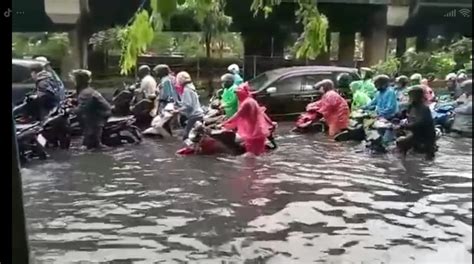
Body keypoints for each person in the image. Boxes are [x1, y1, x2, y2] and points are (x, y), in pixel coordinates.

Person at [220, 85, 275, 156]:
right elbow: (261, 113)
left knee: (251, 154)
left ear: (242, 94)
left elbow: (237, 115)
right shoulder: (251, 101)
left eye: (238, 94)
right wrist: (270, 123)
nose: (237, 96)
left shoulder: (246, 103)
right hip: (259, 130)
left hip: (252, 132)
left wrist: (224, 123)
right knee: (259, 153)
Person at [71, 69, 112, 150]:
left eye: (74, 79)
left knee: (92, 143)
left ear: (79, 80)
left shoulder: (85, 93)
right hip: (96, 114)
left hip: (97, 117)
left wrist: (71, 111)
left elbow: (82, 108)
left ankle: (103, 154)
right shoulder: (86, 90)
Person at [396, 86, 437, 160]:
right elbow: (403, 115)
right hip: (414, 133)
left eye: (412, 96)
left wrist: (405, 126)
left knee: (401, 142)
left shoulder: (423, 108)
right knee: (399, 141)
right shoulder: (411, 106)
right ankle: (403, 159)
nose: (410, 98)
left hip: (424, 136)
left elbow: (420, 123)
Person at [173, 71, 204, 140]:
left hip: (194, 116)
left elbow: (188, 106)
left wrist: (177, 110)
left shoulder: (186, 90)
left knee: (186, 136)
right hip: (198, 114)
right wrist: (179, 105)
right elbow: (189, 102)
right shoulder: (191, 87)